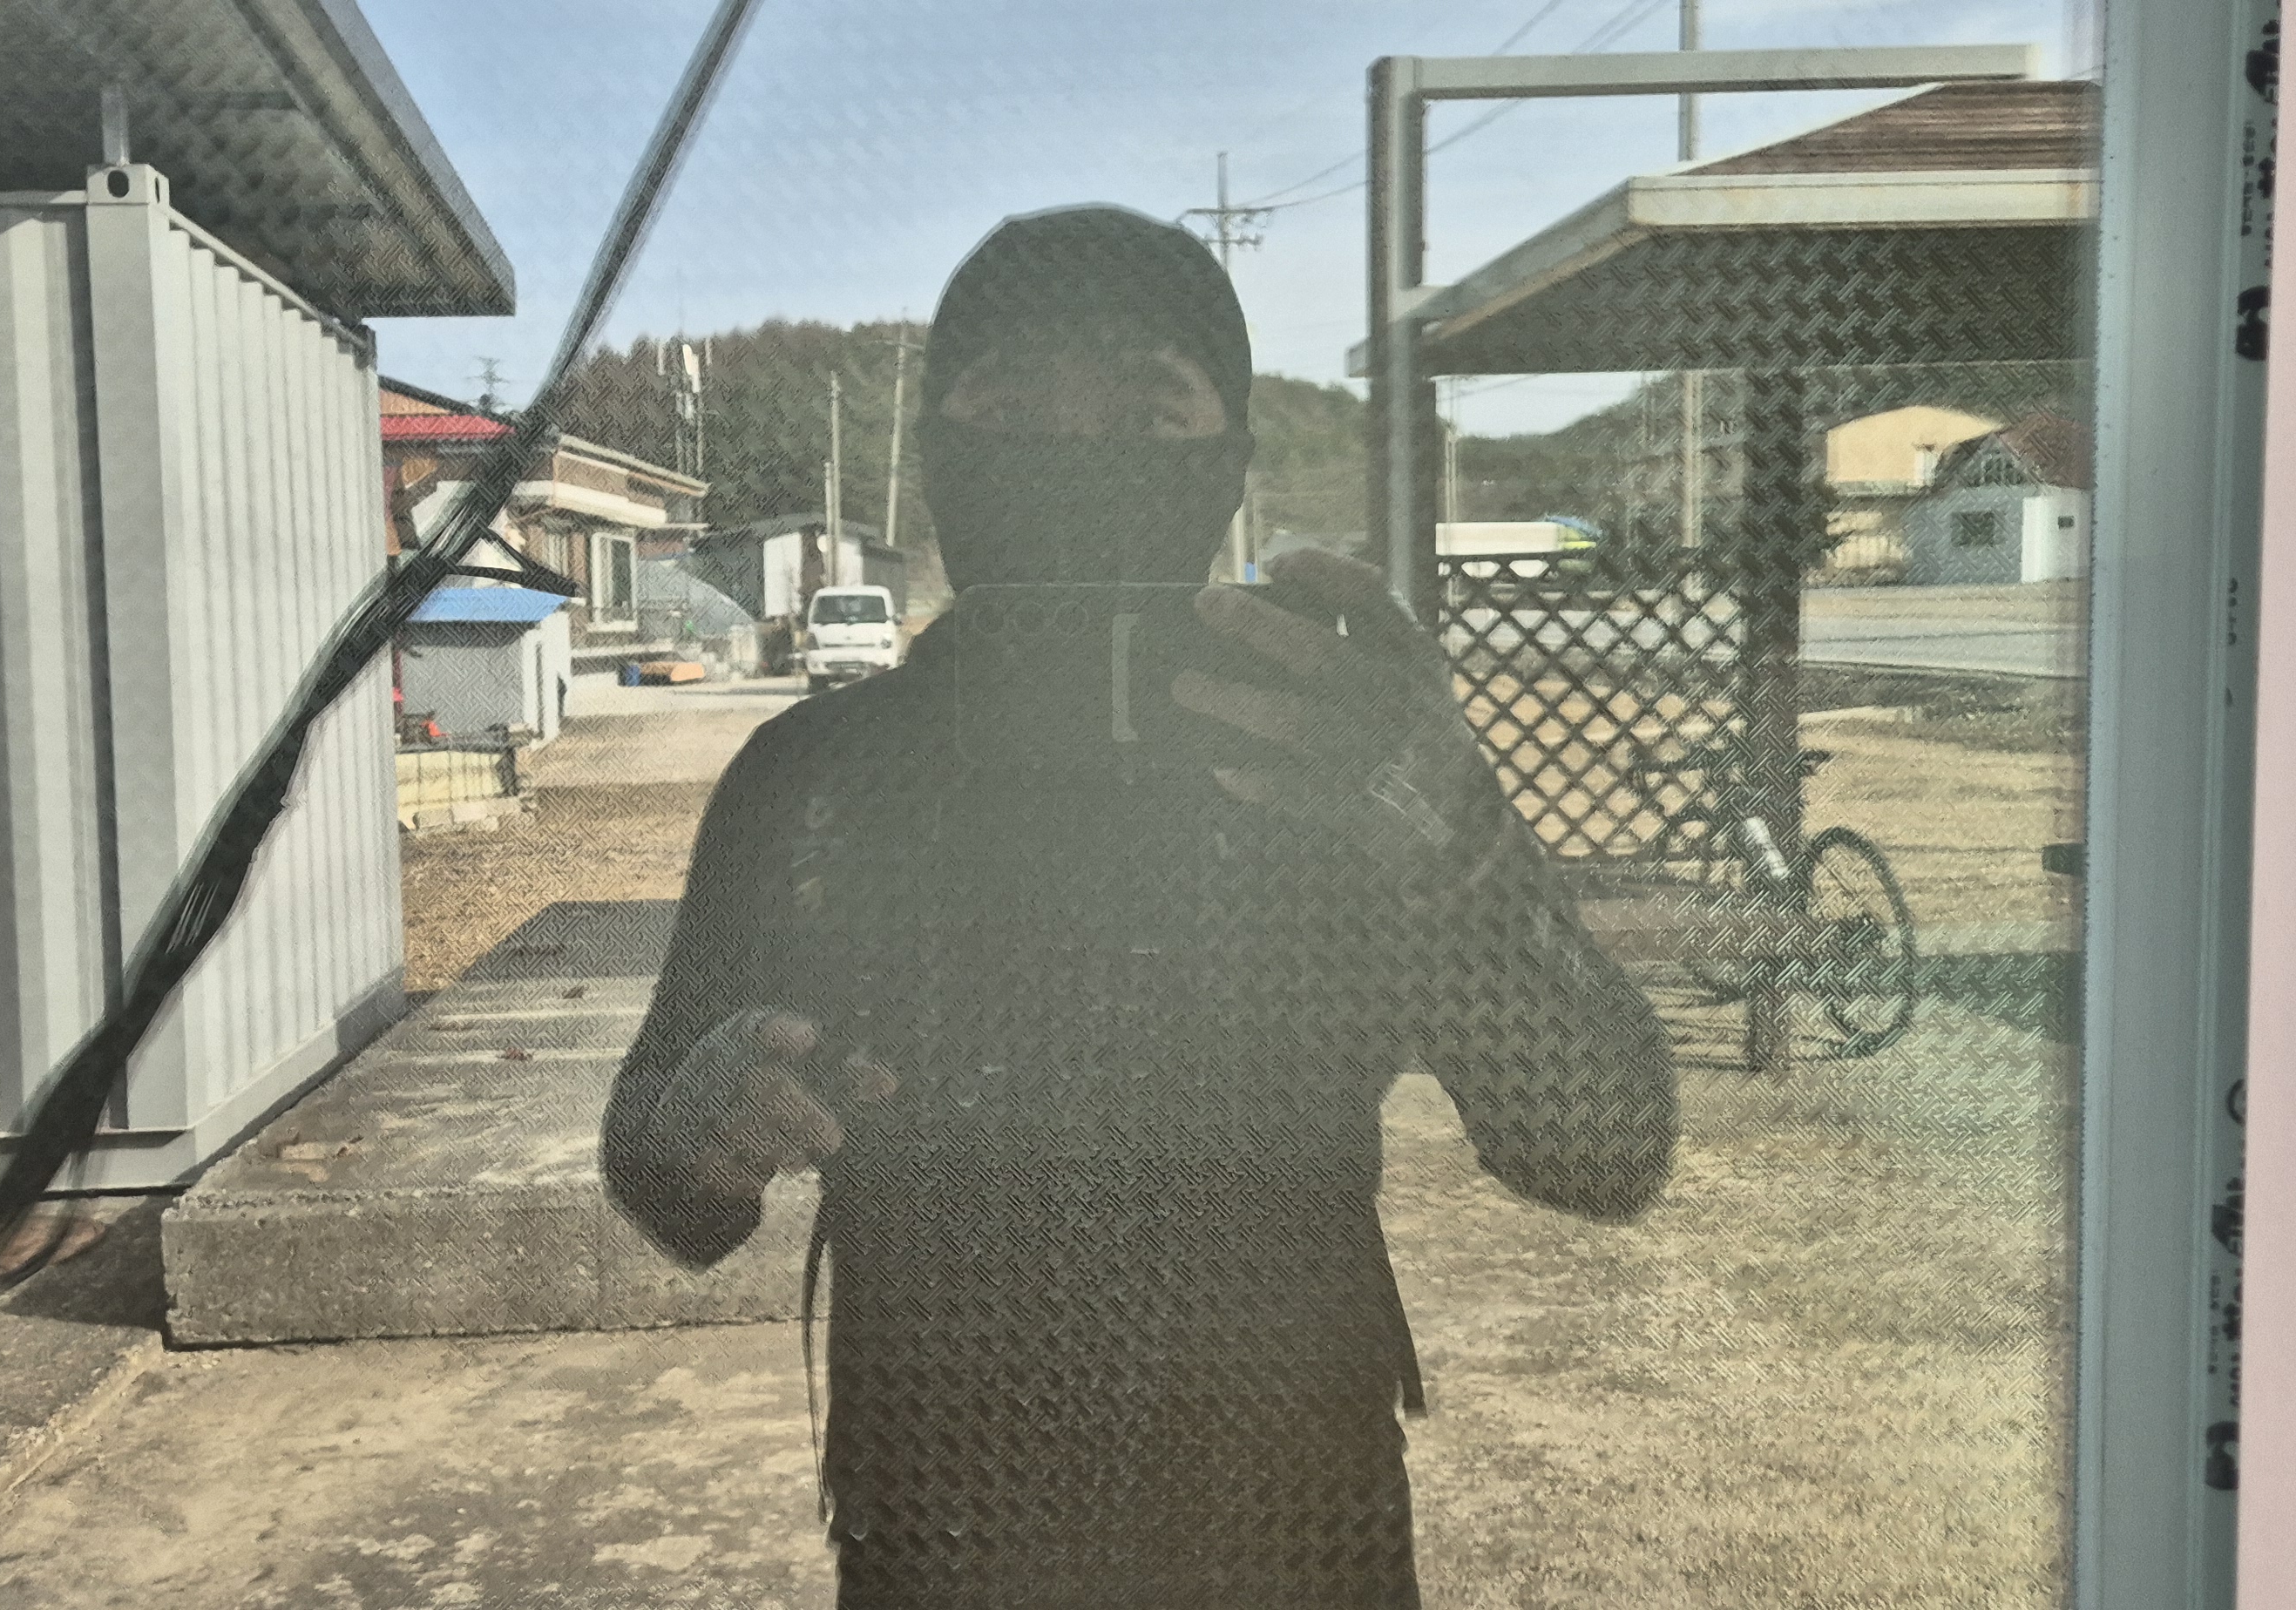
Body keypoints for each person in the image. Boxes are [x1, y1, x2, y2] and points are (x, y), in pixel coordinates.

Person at [600, 205, 1676, 1609]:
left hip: (1295, 1535)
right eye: (1012, 405)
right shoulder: (814, 775)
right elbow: (664, 1181)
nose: (1074, 449)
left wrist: (1449, 831)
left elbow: (1602, 1148)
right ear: (936, 458)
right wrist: (702, 1121)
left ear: (1231, 461)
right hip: (942, 1534)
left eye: (1144, 406)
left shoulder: (1326, 762)